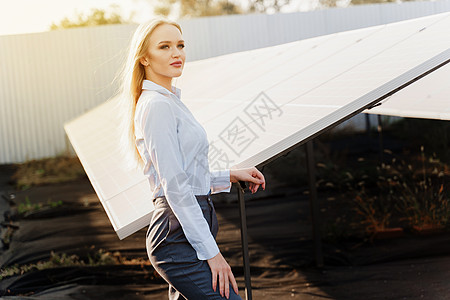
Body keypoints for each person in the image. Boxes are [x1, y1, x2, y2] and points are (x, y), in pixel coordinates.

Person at [118, 17, 266, 299]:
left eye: (180, 45)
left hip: (185, 228)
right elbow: (174, 186)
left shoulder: (170, 101)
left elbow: (184, 173)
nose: (177, 53)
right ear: (144, 58)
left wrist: (230, 174)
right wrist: (213, 254)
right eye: (164, 46)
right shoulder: (156, 106)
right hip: (175, 238)